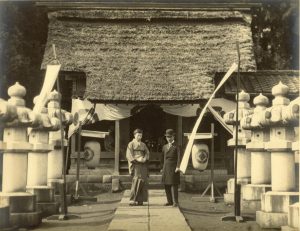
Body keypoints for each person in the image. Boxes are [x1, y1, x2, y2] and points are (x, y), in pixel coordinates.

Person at [126, 128, 150, 206]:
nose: (139, 137)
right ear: (134, 135)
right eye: (138, 135)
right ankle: (133, 199)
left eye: (141, 135)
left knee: (143, 181)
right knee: (136, 181)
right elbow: (129, 154)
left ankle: (141, 200)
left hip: (143, 164)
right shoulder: (131, 144)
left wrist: (145, 158)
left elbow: (147, 152)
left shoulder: (143, 144)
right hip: (136, 164)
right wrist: (136, 160)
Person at [160, 129, 181, 207]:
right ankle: (169, 201)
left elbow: (179, 157)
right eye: (167, 137)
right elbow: (162, 158)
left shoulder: (177, 146)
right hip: (166, 167)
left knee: (173, 184)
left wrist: (178, 166)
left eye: (170, 137)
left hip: (173, 167)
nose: (169, 138)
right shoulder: (164, 147)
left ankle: (175, 202)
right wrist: (162, 167)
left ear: (173, 136)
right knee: (166, 184)